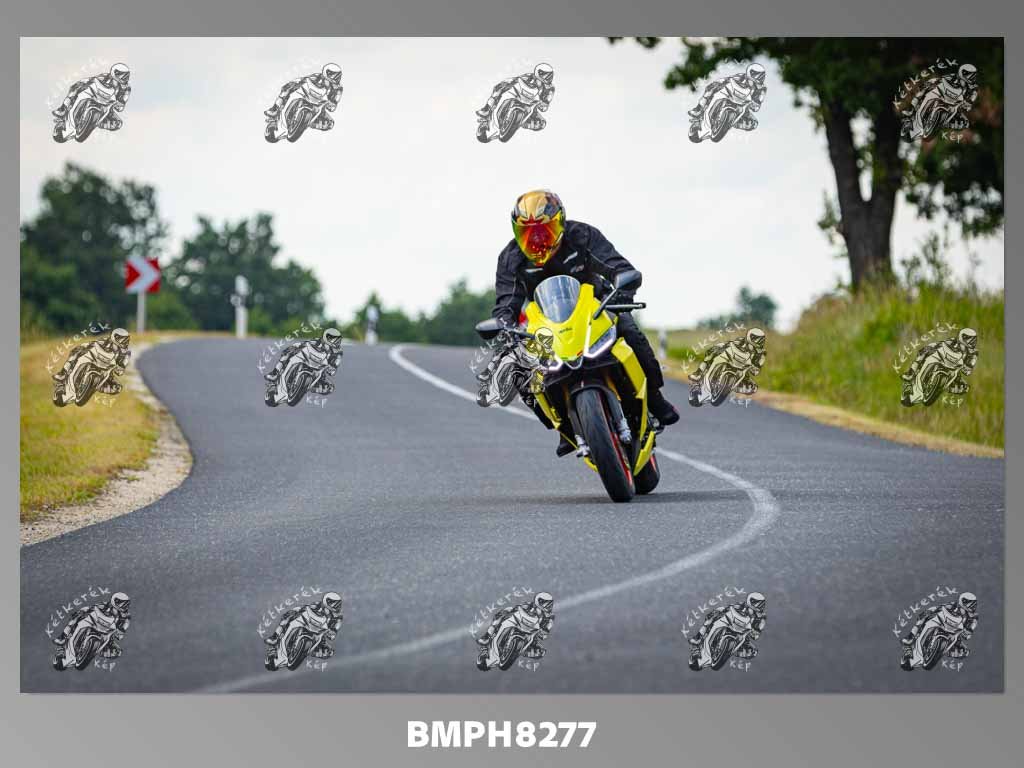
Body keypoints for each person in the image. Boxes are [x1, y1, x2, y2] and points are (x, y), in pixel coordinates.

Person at [490, 189, 679, 456]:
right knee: (517, 365)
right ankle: (563, 427)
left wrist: (623, 285)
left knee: (629, 330)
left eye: (543, 231)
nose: (537, 240)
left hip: (596, 306)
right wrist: (503, 326)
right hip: (546, 323)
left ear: (560, 222)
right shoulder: (511, 258)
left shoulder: (582, 235)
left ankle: (656, 400)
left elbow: (616, 265)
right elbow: (506, 301)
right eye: (528, 234)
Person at [52, 328, 131, 406]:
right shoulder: (104, 340)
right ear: (114, 336)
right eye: (121, 339)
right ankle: (63, 373)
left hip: (106, 370)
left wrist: (120, 368)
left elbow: (120, 370)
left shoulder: (126, 354)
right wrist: (82, 347)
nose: (124, 341)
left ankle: (97, 387)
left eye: (126, 339)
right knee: (76, 352)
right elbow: (90, 344)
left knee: (118, 388)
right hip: (93, 360)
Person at [52, 63, 132, 141]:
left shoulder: (126, 89)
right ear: (114, 72)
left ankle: (96, 123)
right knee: (75, 88)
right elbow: (89, 80)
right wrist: (82, 83)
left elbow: (121, 106)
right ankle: (63, 109)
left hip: (107, 105)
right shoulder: (104, 76)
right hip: (93, 96)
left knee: (118, 123)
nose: (124, 77)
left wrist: (119, 104)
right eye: (121, 74)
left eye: (126, 75)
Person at [688, 592, 767, 670]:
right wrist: (722, 610)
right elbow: (729, 607)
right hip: (730, 624)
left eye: (761, 604)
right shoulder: (742, 605)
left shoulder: (761, 617)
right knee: (714, 614)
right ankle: (698, 637)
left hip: (743, 633)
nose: (759, 606)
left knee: (753, 652)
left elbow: (756, 634)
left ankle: (728, 652)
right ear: (750, 601)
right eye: (757, 603)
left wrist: (754, 631)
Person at [900, 592, 978, 670]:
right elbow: (938, 607)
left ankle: (943, 652)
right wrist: (929, 611)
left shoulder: (973, 617)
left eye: (973, 604)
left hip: (955, 632)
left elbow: (971, 629)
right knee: (923, 617)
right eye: (970, 603)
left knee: (964, 652)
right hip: (941, 623)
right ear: (963, 601)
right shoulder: (953, 605)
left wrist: (967, 632)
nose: (972, 606)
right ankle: (911, 636)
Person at [265, 63, 344, 133]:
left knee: (330, 123)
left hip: (319, 106)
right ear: (326, 73)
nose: (334, 78)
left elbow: (333, 105)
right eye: (332, 75)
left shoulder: (338, 89)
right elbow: (303, 79)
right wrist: (294, 83)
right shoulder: (317, 76)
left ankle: (306, 123)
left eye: (337, 76)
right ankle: (275, 109)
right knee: (288, 88)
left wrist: (331, 104)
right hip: (307, 96)